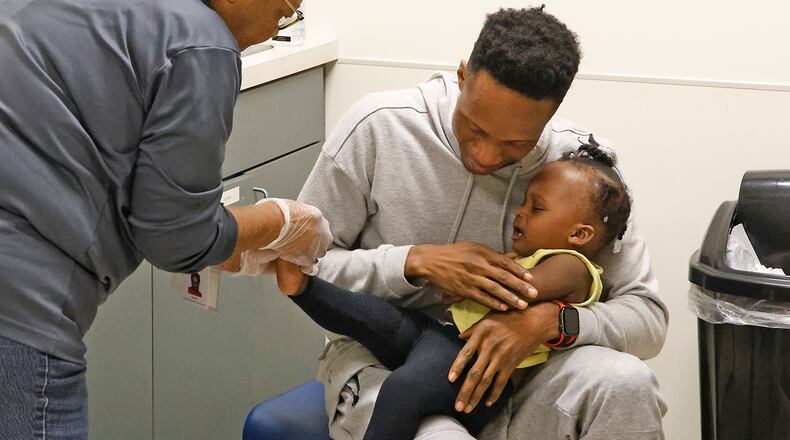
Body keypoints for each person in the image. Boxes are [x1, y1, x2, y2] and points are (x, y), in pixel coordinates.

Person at [297, 6, 669, 439]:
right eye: (474, 127)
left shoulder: (581, 173)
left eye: (516, 144)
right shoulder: (379, 128)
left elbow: (647, 320)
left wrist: (550, 322)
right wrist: (413, 263)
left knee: (628, 383)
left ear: (551, 116)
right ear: (462, 75)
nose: (487, 157)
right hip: (390, 369)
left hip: (522, 377)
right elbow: (302, 267)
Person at [0, 0, 331, 438]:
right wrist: (280, 221)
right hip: (22, 308)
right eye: (285, 8)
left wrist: (221, 236)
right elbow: (176, 239)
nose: (276, 29)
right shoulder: (200, 40)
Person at [276, 143, 632, 440]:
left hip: (475, 371)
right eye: (523, 202)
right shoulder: (530, 258)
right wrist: (463, 287)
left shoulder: (573, 267)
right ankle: (302, 287)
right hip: (445, 339)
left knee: (401, 391)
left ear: (580, 234)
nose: (520, 213)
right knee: (375, 316)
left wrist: (477, 280)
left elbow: (521, 290)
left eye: (536, 208)